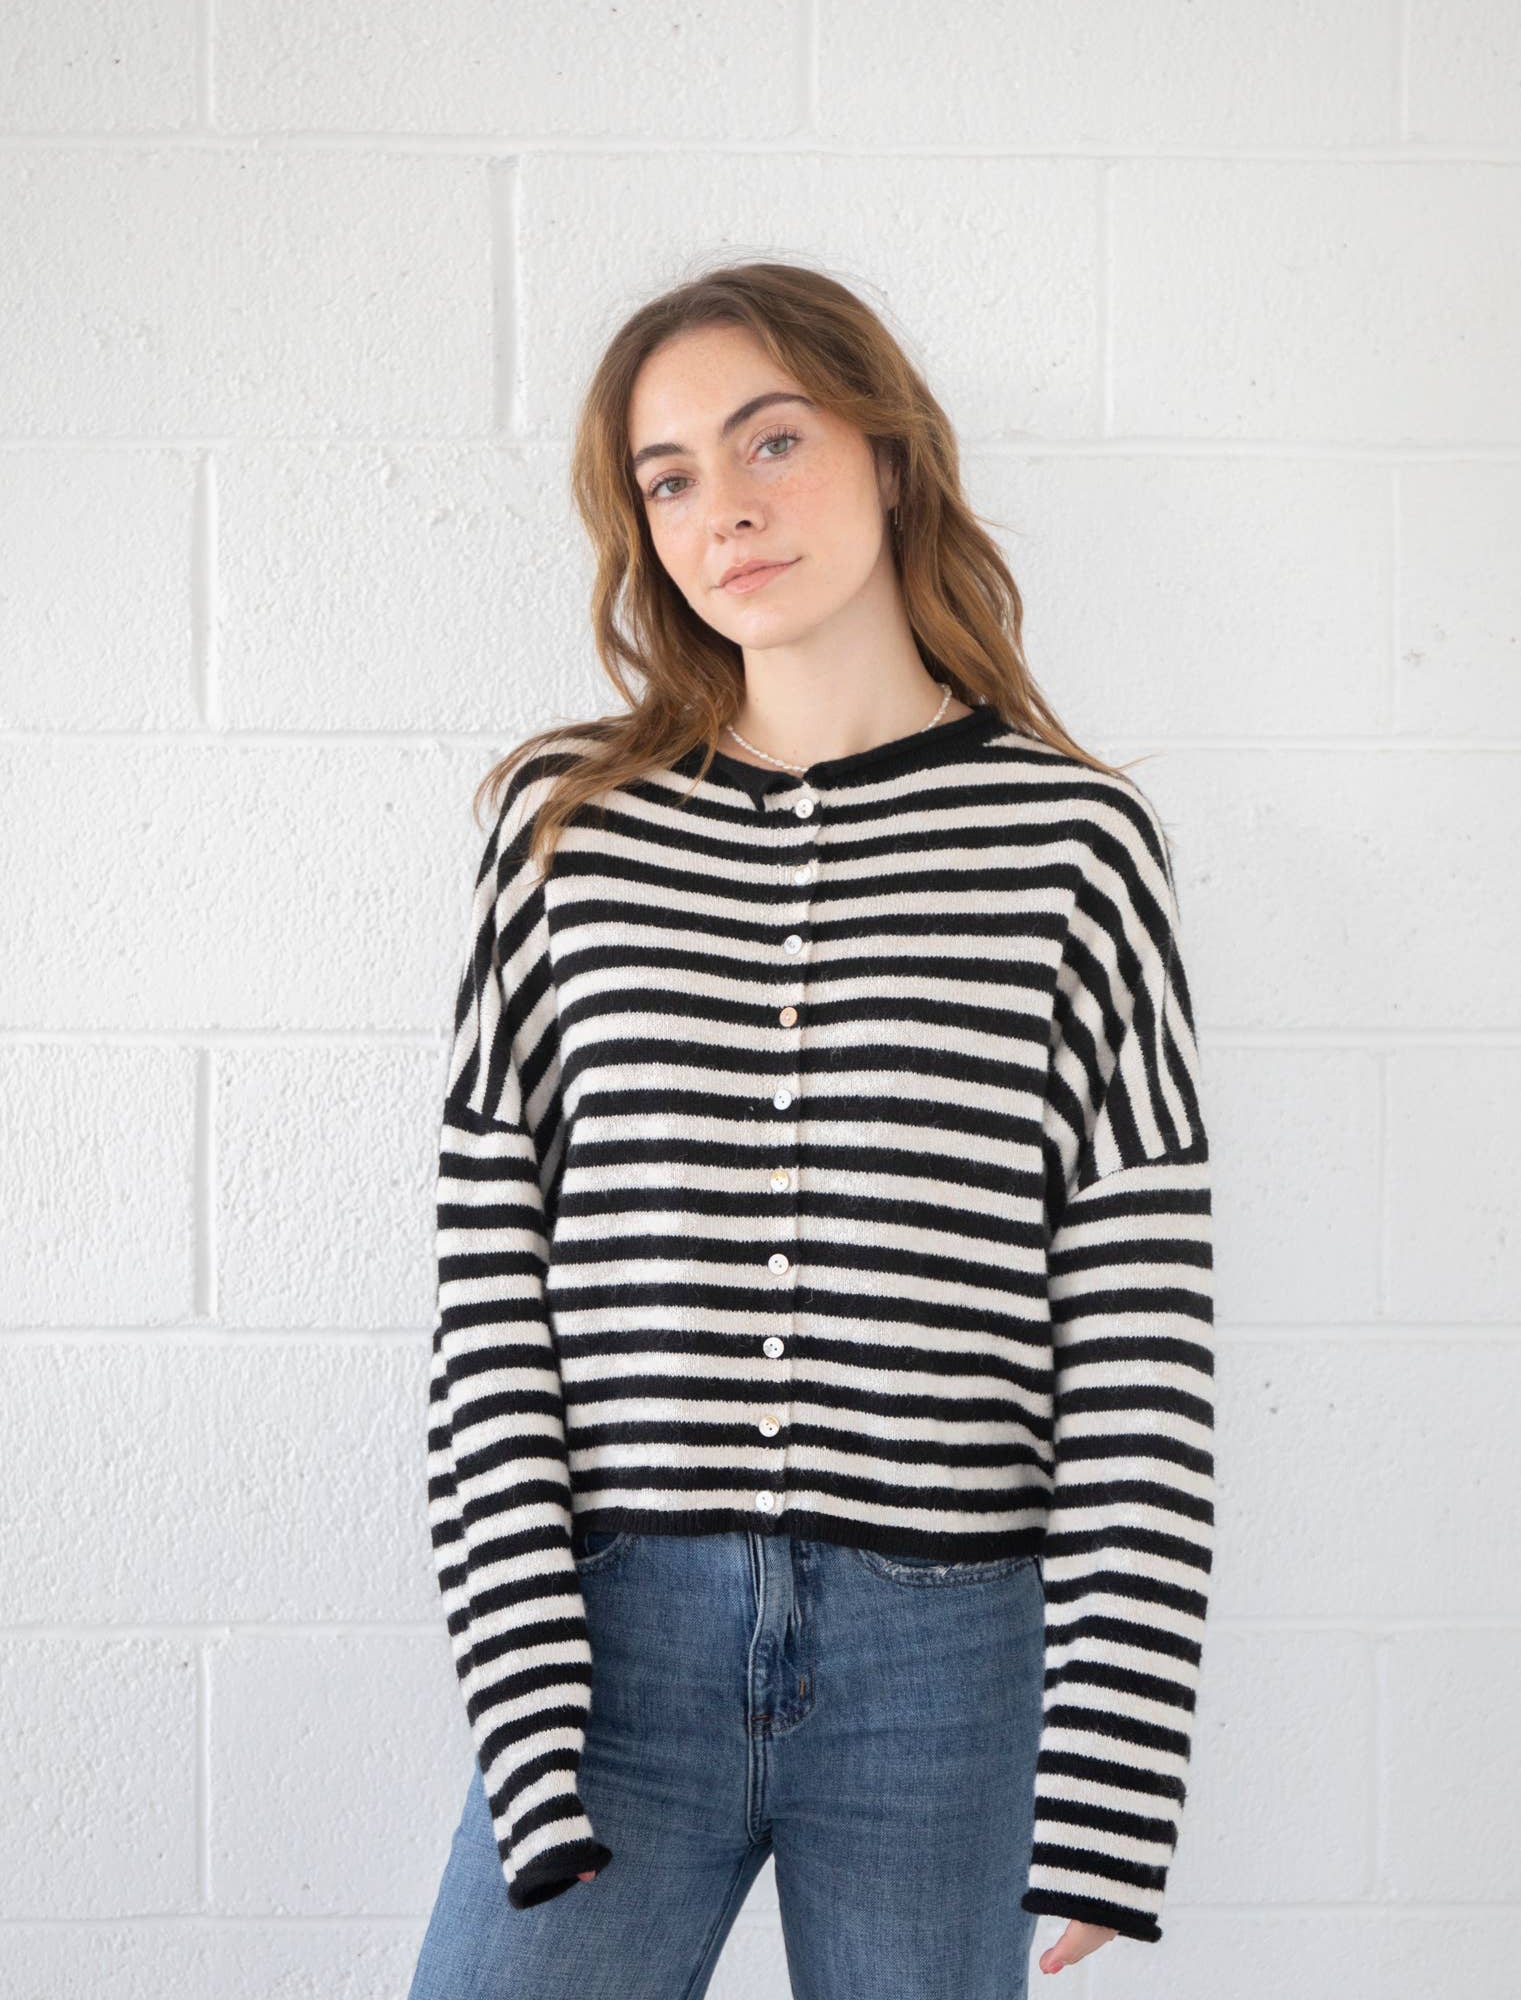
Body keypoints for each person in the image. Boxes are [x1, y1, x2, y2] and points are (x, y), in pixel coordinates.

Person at [409, 260, 1216, 2000]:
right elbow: (488, 1289)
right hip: (615, 1646)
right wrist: (523, 1691)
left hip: (948, 1659)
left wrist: (1117, 1780)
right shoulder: (566, 841)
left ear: (890, 455)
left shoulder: (1075, 849)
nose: (728, 508)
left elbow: (1140, 1326)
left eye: (772, 440)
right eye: (672, 475)